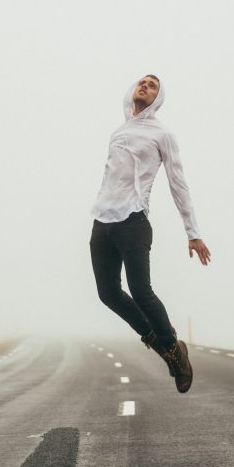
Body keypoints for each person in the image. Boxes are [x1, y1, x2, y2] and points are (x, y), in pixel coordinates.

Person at [89, 74, 212, 393]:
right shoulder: (119, 132)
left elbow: (178, 182)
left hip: (133, 221)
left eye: (153, 85)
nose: (145, 86)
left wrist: (193, 232)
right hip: (102, 221)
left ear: (158, 99)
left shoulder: (162, 134)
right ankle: (162, 344)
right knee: (108, 294)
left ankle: (174, 352)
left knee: (141, 291)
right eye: (142, 82)